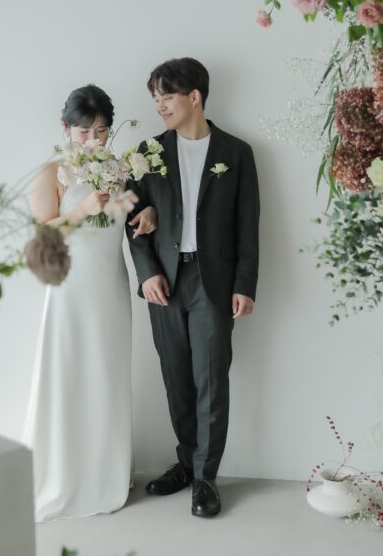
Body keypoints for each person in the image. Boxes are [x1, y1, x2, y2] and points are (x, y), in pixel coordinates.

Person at [126, 58, 260, 517]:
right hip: (164, 282)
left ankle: (205, 478)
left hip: (213, 282)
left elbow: (248, 224)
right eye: (156, 98)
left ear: (194, 97)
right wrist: (147, 272)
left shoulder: (236, 153)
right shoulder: (148, 152)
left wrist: (245, 284)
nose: (160, 106)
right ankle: (186, 463)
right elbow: (132, 217)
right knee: (176, 378)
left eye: (166, 96)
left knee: (211, 380)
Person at [22, 84, 156, 520]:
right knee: (69, 373)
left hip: (110, 286)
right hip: (70, 287)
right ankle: (63, 477)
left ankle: (104, 475)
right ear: (65, 128)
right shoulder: (52, 172)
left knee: (106, 374)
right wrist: (81, 211)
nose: (94, 141)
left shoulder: (120, 168)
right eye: (84, 132)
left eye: (101, 132)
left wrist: (146, 212)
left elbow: (132, 210)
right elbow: (43, 234)